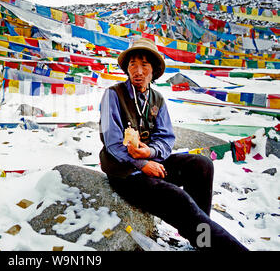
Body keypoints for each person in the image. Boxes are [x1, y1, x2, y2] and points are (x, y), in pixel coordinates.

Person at [99, 37, 248, 251]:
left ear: (154, 71)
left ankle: (202, 240)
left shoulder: (157, 99)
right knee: (177, 198)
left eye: (144, 65)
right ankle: (214, 243)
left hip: (152, 162)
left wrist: (150, 151)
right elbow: (112, 142)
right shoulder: (112, 95)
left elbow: (166, 138)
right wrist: (142, 164)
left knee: (202, 166)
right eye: (133, 64)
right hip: (125, 172)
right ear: (127, 68)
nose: (138, 71)